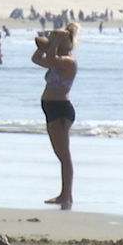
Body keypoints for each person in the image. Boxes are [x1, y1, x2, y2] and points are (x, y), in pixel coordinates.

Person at [33, 23, 78, 209]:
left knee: (64, 156)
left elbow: (50, 58)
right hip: (51, 108)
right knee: (59, 154)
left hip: (61, 109)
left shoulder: (68, 61)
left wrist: (54, 43)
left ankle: (67, 195)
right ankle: (63, 194)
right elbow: (37, 59)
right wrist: (43, 45)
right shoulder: (56, 59)